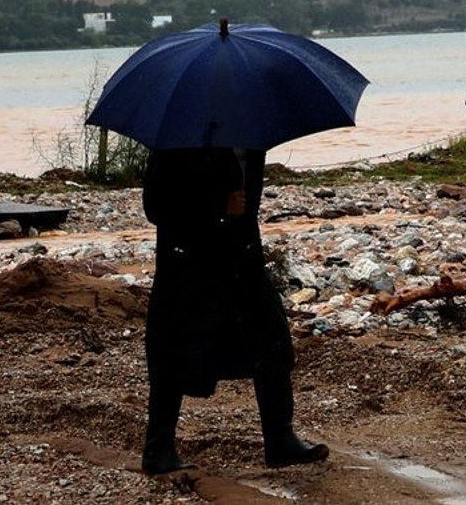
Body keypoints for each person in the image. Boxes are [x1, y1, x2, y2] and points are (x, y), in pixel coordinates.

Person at [140, 147, 328, 474]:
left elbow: (247, 202)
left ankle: (280, 440)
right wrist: (216, 206)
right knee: (173, 351)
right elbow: (155, 206)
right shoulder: (176, 141)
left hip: (242, 258)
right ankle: (158, 449)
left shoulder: (251, 135)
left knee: (272, 340)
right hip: (189, 263)